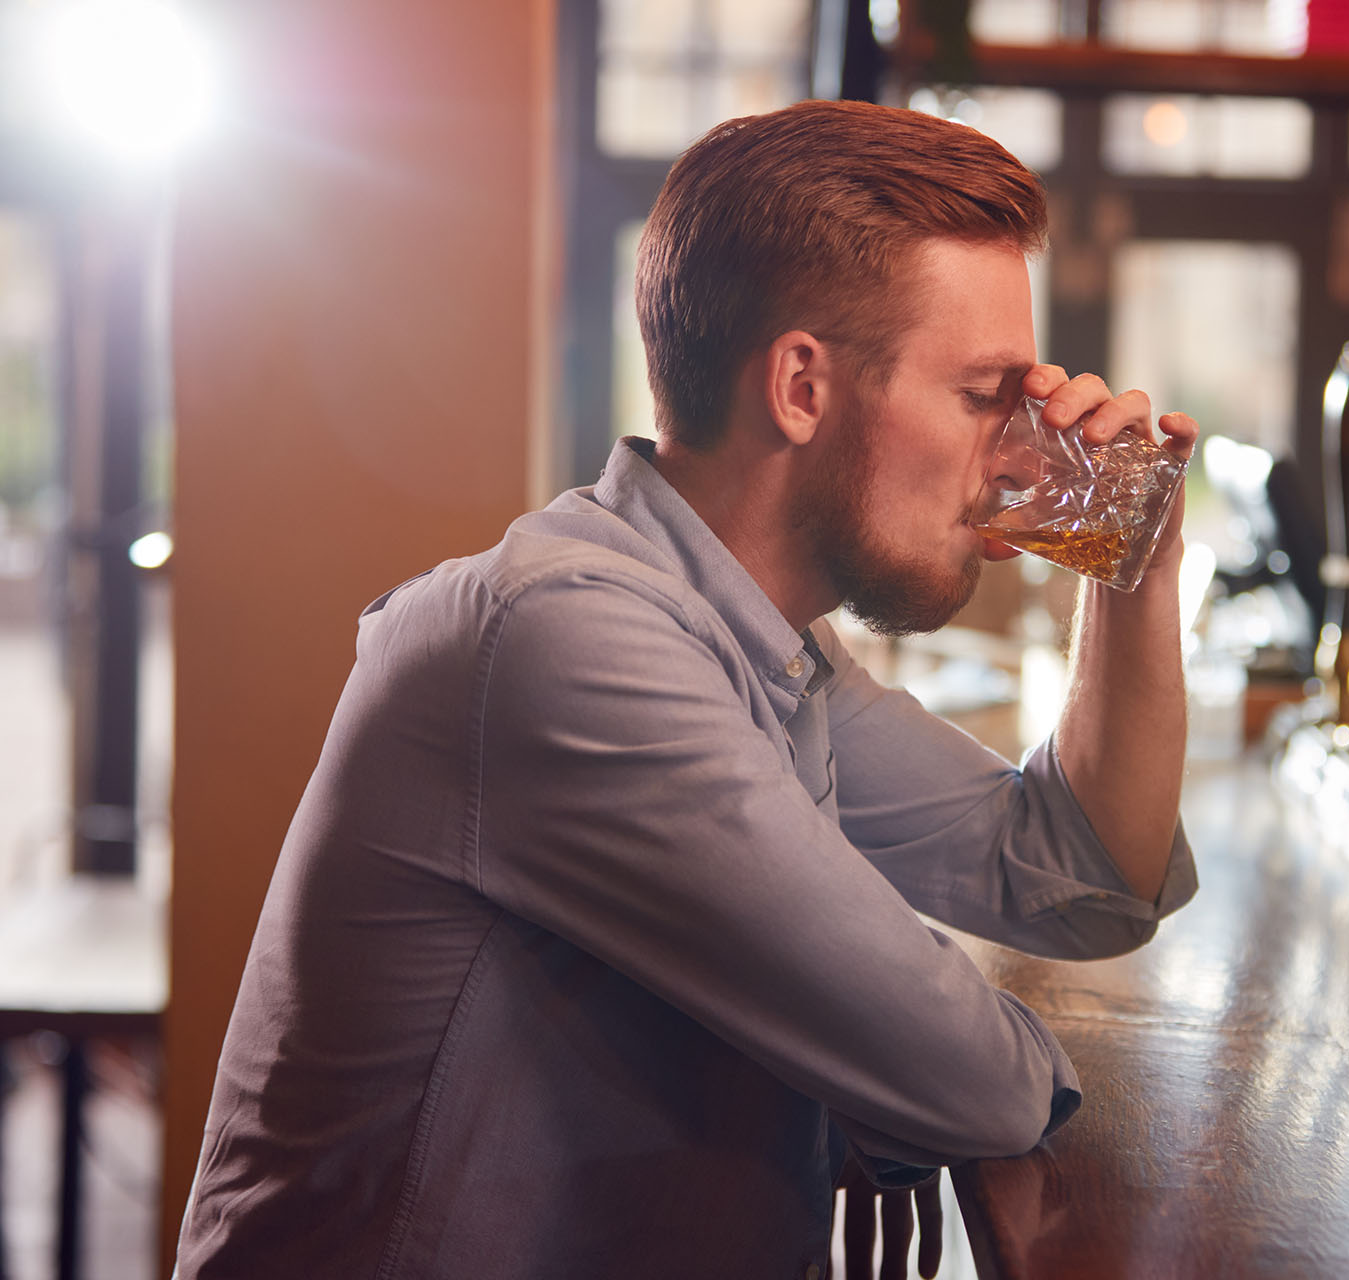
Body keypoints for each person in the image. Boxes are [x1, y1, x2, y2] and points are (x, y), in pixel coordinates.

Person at [174, 97, 1198, 1279]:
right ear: (802, 387)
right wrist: (869, 1080)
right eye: (984, 397)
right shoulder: (568, 643)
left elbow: (1085, 881)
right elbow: (979, 1079)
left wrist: (1131, 559)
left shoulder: (763, 648)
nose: (1021, 456)